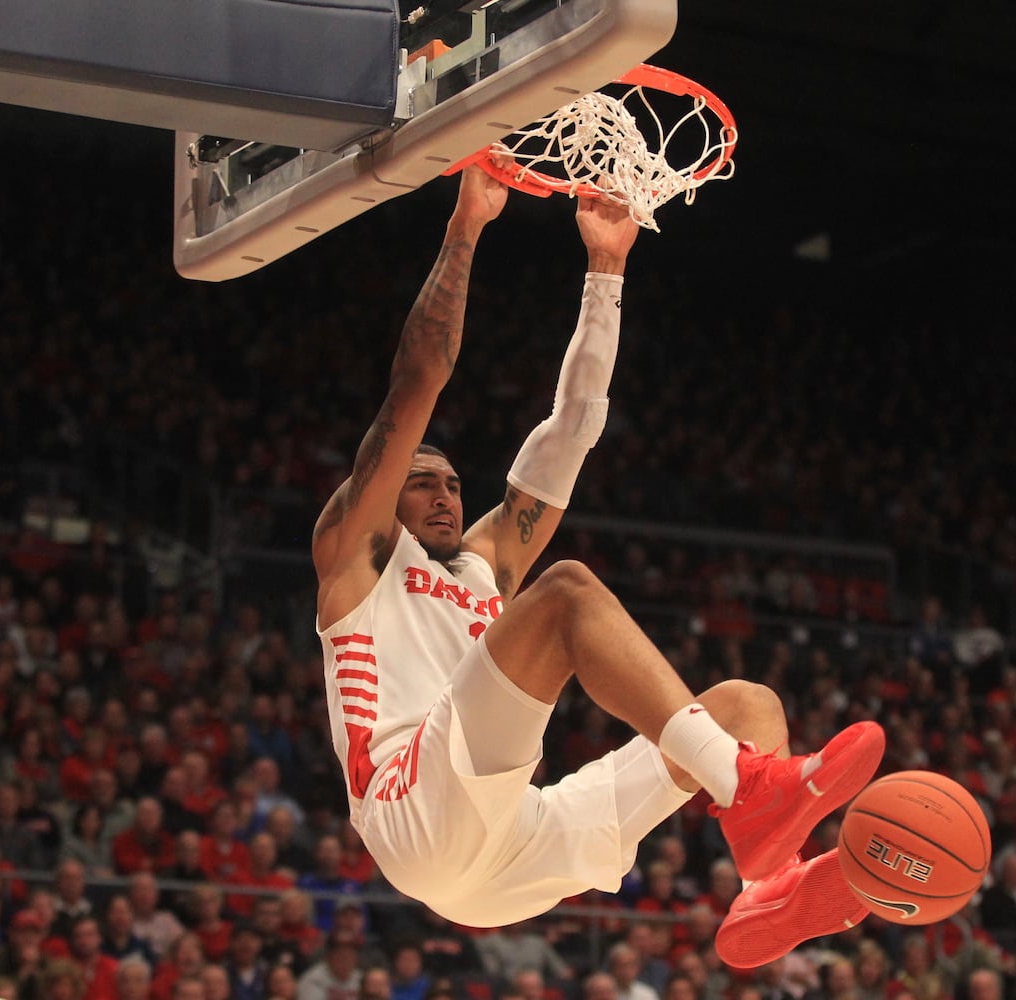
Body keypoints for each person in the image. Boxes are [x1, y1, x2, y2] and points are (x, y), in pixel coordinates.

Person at [311, 164, 884, 970]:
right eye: (421, 482)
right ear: (383, 492)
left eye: (452, 484)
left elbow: (571, 429)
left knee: (749, 708)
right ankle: (751, 797)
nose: (444, 496)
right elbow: (418, 380)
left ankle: (772, 884)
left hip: (506, 840)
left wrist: (605, 270)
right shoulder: (355, 556)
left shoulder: (484, 566)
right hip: (412, 808)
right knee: (569, 591)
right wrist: (467, 226)